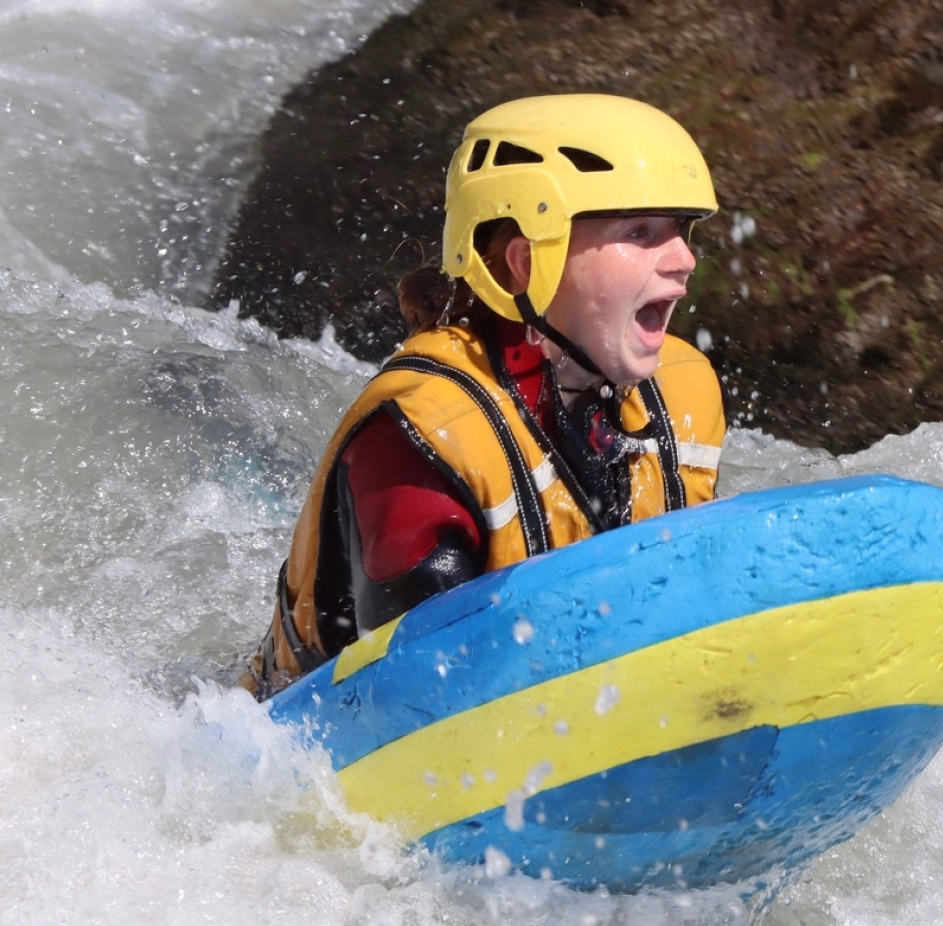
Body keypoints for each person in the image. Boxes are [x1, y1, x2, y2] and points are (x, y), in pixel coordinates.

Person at [244, 94, 726, 696]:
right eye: (641, 232)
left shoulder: (682, 390)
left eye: (680, 233)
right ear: (526, 263)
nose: (685, 260)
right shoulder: (421, 436)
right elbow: (418, 706)